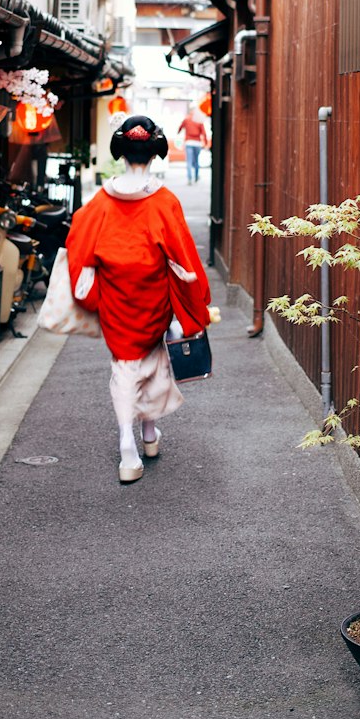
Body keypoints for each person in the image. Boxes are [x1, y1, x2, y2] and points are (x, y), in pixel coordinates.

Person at [65, 116, 212, 484]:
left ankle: (134, 443)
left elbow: (78, 245)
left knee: (124, 366)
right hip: (153, 297)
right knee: (152, 357)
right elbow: (183, 255)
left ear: (121, 153)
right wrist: (197, 299)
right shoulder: (163, 201)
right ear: (154, 153)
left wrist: (90, 288)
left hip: (116, 298)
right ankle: (140, 439)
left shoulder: (100, 201)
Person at [177, 105, 209, 184]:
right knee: (196, 161)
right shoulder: (199, 120)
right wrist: (205, 143)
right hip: (197, 143)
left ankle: (189, 178)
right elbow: (204, 133)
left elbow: (180, 127)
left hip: (188, 142)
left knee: (189, 161)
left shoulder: (186, 119)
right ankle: (196, 176)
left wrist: (178, 132)